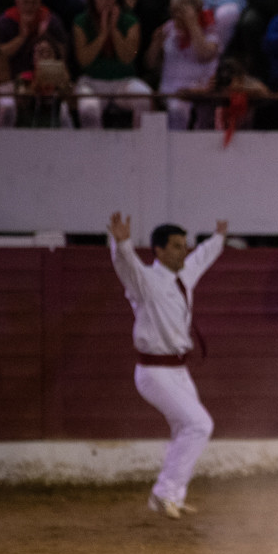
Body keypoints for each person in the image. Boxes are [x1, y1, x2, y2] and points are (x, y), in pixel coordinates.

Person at [107, 211, 229, 518]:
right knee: (199, 425)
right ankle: (163, 493)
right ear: (158, 250)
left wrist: (218, 238)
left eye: (184, 245)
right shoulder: (146, 281)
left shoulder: (185, 275)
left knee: (184, 429)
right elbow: (126, 266)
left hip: (178, 371)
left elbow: (202, 257)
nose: (183, 251)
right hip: (154, 372)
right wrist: (121, 244)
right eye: (176, 246)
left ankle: (173, 495)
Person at [146, 0, 238, 130]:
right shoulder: (168, 29)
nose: (176, 15)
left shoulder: (209, 29)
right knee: (177, 108)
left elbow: (205, 55)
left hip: (202, 91)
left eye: (181, 10)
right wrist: (155, 44)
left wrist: (192, 25)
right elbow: (151, 64)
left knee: (203, 113)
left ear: (196, 10)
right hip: (172, 92)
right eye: (174, 10)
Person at [73, 0, 153, 128]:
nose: (105, 2)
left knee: (144, 99)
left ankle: (140, 143)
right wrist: (103, 34)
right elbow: (84, 60)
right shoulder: (81, 22)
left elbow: (128, 58)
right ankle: (93, 144)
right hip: (92, 81)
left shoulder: (130, 21)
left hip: (123, 80)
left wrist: (114, 30)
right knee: (89, 108)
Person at [0, 0, 69, 79]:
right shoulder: (5, 22)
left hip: (46, 77)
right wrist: (22, 37)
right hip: (12, 78)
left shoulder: (51, 20)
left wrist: (44, 37)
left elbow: (62, 54)